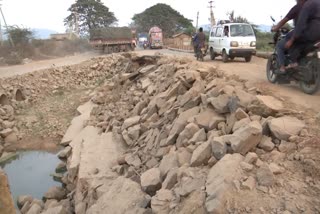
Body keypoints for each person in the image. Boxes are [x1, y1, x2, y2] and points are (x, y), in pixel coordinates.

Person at [271, 0, 307, 73]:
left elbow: (284, 20)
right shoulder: (316, 7)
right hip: (314, 35)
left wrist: (275, 28)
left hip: (300, 33)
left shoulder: (298, 7)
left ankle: (282, 67)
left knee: (280, 46)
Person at [285, 0, 320, 68]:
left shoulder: (308, 4)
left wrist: (292, 40)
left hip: (313, 31)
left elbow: (301, 23)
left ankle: (294, 61)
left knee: (290, 36)